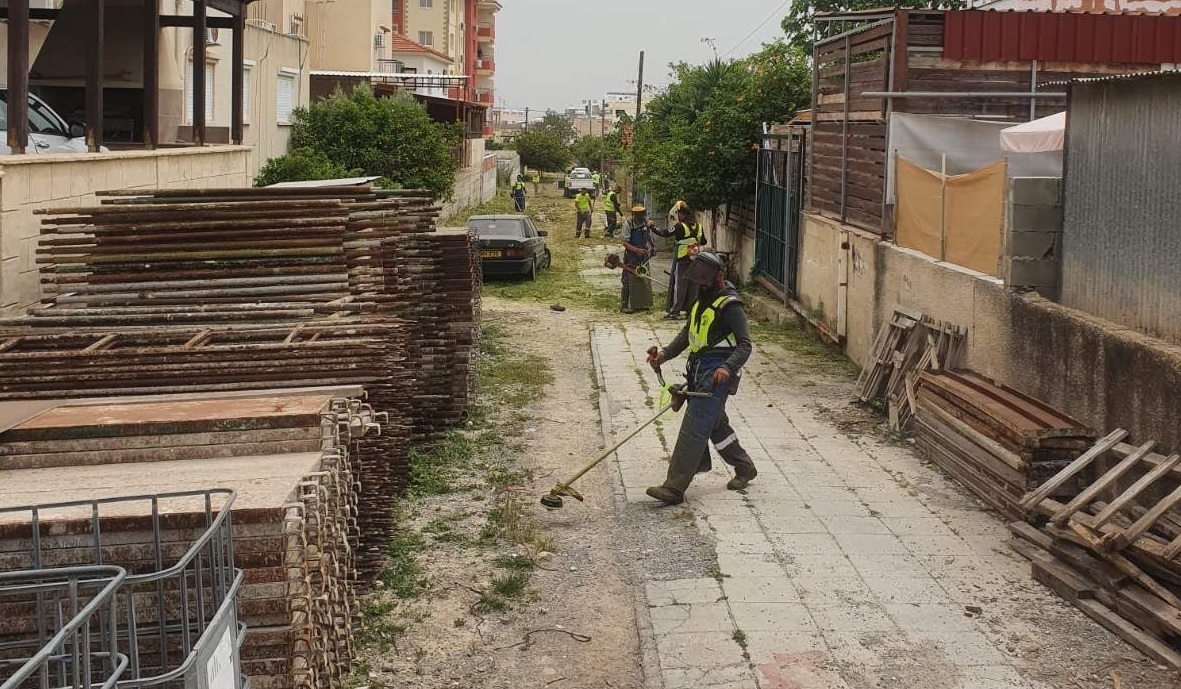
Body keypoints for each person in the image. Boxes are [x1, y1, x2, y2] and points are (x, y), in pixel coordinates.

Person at [644, 251, 757, 505]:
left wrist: (727, 368)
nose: (701, 285)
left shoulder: (731, 306)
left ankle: (674, 488)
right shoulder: (701, 300)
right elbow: (688, 334)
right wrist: (664, 354)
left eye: (705, 281)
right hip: (698, 370)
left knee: (694, 428)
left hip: (717, 375)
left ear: (719, 276)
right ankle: (744, 467)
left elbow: (745, 345)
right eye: (698, 281)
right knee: (716, 425)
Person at [652, 202, 706, 319]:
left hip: (682, 259)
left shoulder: (680, 226)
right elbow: (704, 242)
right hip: (695, 260)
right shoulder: (699, 227)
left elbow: (664, 233)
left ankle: (675, 311)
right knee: (693, 286)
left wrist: (652, 227)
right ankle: (690, 311)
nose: (678, 216)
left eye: (678, 214)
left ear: (682, 214)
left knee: (680, 286)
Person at [620, 204, 655, 313]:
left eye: (643, 214)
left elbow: (648, 235)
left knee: (644, 278)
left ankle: (643, 304)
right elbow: (625, 243)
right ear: (634, 214)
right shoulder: (628, 224)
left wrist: (653, 247)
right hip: (631, 255)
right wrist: (636, 250)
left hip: (644, 254)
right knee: (628, 280)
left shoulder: (646, 222)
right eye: (639, 215)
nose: (641, 216)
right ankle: (625, 305)